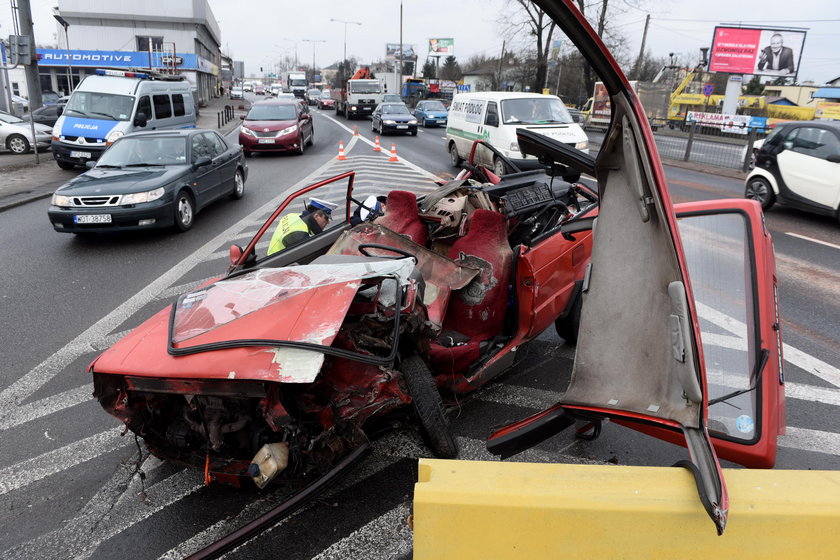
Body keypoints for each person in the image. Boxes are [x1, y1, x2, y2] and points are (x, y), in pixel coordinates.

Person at [267, 198, 337, 255]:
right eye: (326, 218)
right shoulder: (298, 235)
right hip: (276, 267)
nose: (328, 222)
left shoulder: (293, 216)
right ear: (316, 216)